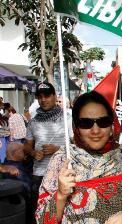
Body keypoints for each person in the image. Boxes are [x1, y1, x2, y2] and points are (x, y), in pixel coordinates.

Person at [35, 91, 122, 223]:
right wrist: (60, 195)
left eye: (103, 122)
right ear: (76, 127)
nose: (95, 131)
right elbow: (42, 219)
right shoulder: (63, 160)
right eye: (86, 123)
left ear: (112, 126)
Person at [24, 82, 72, 220]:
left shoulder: (67, 119)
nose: (43, 99)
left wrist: (58, 149)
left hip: (62, 174)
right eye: (40, 96)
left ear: (54, 96)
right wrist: (33, 153)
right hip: (39, 174)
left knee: (63, 214)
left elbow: (78, 145)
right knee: (39, 214)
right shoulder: (33, 122)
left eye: (47, 95)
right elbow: (26, 146)